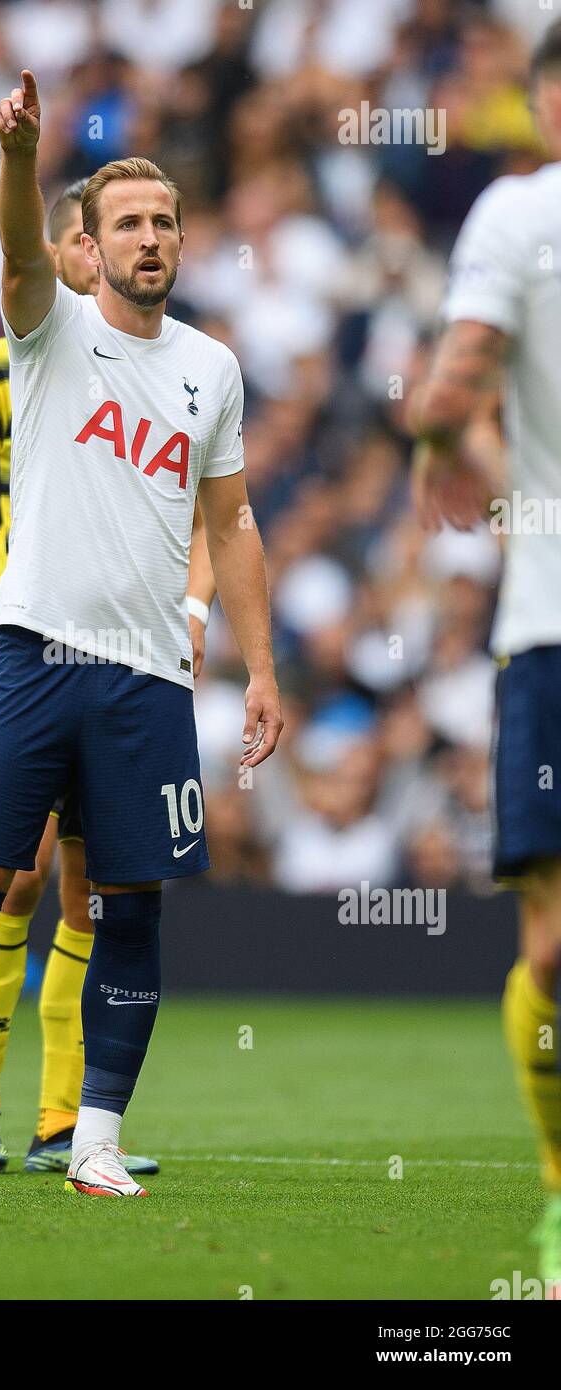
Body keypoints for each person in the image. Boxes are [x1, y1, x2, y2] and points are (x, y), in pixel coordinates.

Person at [0, 69, 281, 1200]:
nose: (149, 236)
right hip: (32, 657)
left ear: (181, 240)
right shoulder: (44, 333)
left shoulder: (211, 370)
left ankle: (92, 1138)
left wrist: (263, 666)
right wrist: (20, 158)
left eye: (164, 219)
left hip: (148, 680)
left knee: (128, 910)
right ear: (88, 243)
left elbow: (230, 522)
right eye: (127, 221)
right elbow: (17, 257)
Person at [0, 177, 216, 1176]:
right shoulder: (9, 363)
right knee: (14, 877)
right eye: (93, 241)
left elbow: (205, 515)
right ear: (67, 253)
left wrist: (195, 610)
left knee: (93, 893)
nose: (111, 255)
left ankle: (63, 1119)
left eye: (149, 226)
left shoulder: (174, 372)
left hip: (126, 659)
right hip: (23, 645)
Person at [409, 20, 561, 1292]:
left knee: (555, 947)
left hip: (545, 612)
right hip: (546, 620)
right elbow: (454, 391)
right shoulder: (521, 219)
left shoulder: (517, 219)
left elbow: (447, 399)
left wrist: (436, 452)